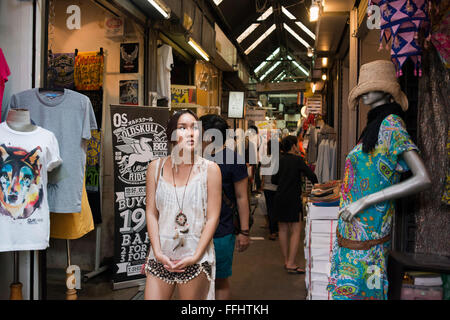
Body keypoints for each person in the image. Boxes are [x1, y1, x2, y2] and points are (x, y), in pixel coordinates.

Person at [327, 60, 431, 300]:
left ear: (385, 90)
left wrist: (365, 201)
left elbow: (423, 178)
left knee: (368, 292)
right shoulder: (374, 125)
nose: (364, 94)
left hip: (369, 240)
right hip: (353, 235)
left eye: (369, 88)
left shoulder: (392, 125)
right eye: (362, 89)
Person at [143, 109, 222, 300]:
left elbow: (213, 217)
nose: (190, 132)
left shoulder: (210, 170)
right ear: (171, 134)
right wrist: (158, 252)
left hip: (195, 255)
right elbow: (151, 213)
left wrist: (195, 256)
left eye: (194, 127)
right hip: (161, 256)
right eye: (182, 128)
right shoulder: (156, 168)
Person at [200, 114, 251, 300]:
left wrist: (244, 232)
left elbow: (242, 197)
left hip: (222, 231)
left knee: (219, 280)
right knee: (197, 280)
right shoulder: (193, 157)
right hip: (193, 231)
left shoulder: (234, 160)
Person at [272, 135, 318, 274]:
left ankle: (287, 260)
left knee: (283, 230)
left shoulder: (278, 160)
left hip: (279, 197)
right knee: (296, 230)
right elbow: (312, 176)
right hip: (293, 198)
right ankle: (291, 263)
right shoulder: (298, 160)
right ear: (293, 146)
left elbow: (274, 180)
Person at [261, 131, 279, 240]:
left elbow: (263, 174)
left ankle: (273, 231)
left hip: (267, 187)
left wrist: (262, 185)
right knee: (276, 209)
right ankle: (276, 229)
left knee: (270, 209)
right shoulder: (279, 159)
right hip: (277, 187)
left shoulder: (265, 158)